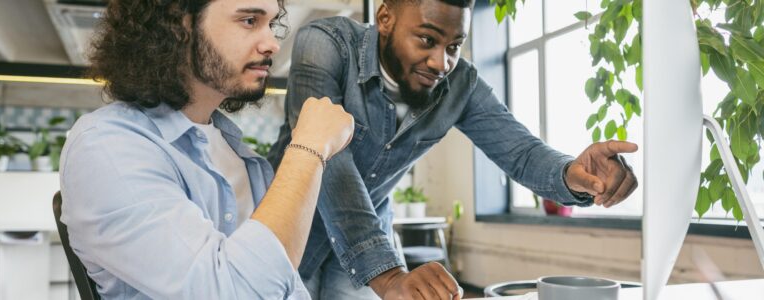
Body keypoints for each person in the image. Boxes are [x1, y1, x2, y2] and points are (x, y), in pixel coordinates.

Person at [268, 0, 639, 299]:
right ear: (385, 18)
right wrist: (388, 273)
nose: (441, 62)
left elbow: (521, 151)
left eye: (454, 47)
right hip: (286, 224)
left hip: (366, 233)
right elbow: (330, 160)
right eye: (427, 40)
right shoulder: (325, 43)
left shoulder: (463, 84)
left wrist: (572, 174)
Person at [58, 0, 354, 298]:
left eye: (272, 24)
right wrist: (308, 148)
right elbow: (234, 292)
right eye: (250, 21)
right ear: (181, 26)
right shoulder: (107, 146)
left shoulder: (235, 151)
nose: (272, 44)